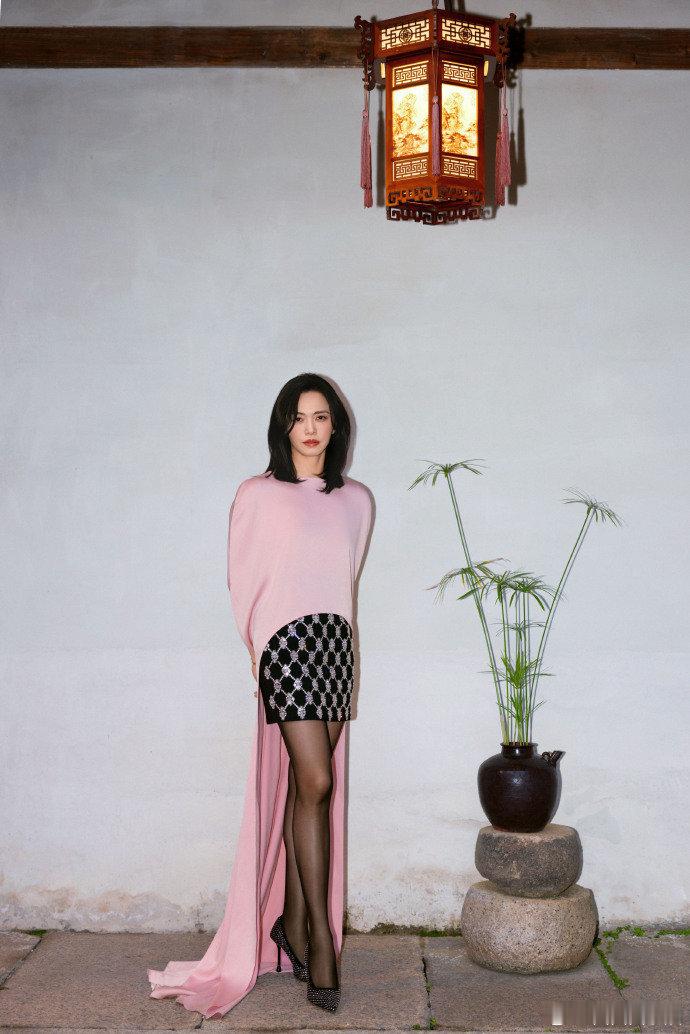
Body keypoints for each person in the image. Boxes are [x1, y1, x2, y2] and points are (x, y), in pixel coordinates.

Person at [146, 372, 373, 1018]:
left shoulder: (357, 500)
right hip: (286, 647)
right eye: (299, 416)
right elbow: (243, 576)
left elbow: (343, 579)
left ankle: (291, 926)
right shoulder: (257, 494)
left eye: (321, 416)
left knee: (309, 789)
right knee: (318, 781)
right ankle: (321, 943)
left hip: (335, 646)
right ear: (282, 426)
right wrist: (259, 648)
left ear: (335, 426)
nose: (310, 428)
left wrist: (340, 646)